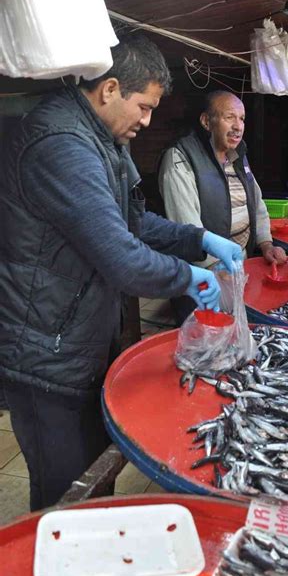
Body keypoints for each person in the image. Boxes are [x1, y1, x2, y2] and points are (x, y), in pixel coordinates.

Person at [0, 34, 243, 510]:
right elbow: (122, 257)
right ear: (110, 89)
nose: (148, 121)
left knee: (91, 484)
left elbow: (134, 223)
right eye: (145, 106)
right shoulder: (62, 146)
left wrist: (197, 240)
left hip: (78, 339)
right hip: (45, 353)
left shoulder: (102, 138)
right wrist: (189, 277)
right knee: (64, 496)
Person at [158, 90, 286, 322]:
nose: (238, 126)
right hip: (204, 277)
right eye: (230, 117)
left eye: (242, 118)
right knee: (207, 339)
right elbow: (186, 228)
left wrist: (265, 244)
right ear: (207, 121)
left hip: (238, 269)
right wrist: (216, 266)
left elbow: (256, 205)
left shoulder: (237, 157)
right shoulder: (180, 159)